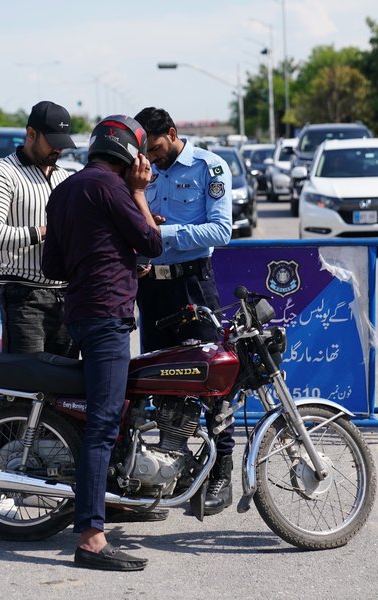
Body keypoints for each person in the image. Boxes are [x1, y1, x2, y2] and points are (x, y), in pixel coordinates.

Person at [42, 115, 163, 571]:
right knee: (103, 423)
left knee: (110, 413)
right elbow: (152, 241)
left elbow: (53, 263)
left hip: (79, 312)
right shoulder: (114, 189)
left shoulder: (65, 190)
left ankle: (113, 499)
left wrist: (112, 259)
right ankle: (91, 538)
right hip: (107, 316)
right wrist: (139, 194)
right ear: (130, 156)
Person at [133, 106, 235, 516]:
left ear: (172, 134)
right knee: (156, 382)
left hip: (193, 284)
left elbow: (221, 230)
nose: (152, 157)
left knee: (212, 380)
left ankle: (221, 471)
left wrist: (163, 233)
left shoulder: (209, 168)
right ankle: (165, 472)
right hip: (151, 289)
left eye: (155, 147)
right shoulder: (143, 171)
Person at [0, 100, 77, 356]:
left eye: (62, 143)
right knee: (26, 389)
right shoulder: (2, 174)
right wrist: (45, 231)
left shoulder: (65, 176)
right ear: (31, 133)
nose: (58, 149)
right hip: (24, 297)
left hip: (67, 297)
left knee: (64, 388)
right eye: (52, 141)